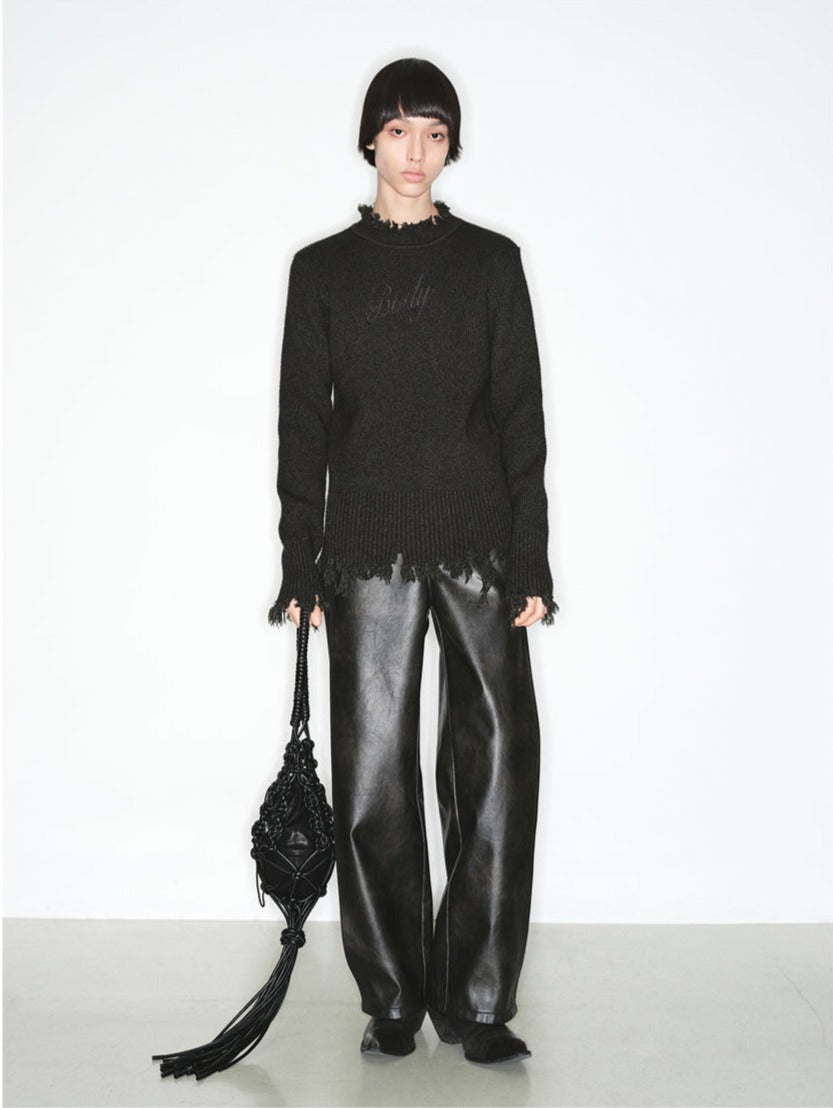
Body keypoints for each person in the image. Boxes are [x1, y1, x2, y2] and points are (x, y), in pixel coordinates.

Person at [267, 57, 559, 1065]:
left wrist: (531, 558)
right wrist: (298, 563)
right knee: (372, 775)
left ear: (450, 145)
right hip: (364, 548)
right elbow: (301, 425)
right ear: (369, 139)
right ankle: (392, 997)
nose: (415, 152)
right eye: (398, 131)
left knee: (497, 766)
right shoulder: (321, 271)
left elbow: (520, 419)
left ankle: (477, 1000)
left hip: (479, 542)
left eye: (433, 133)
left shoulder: (491, 264)